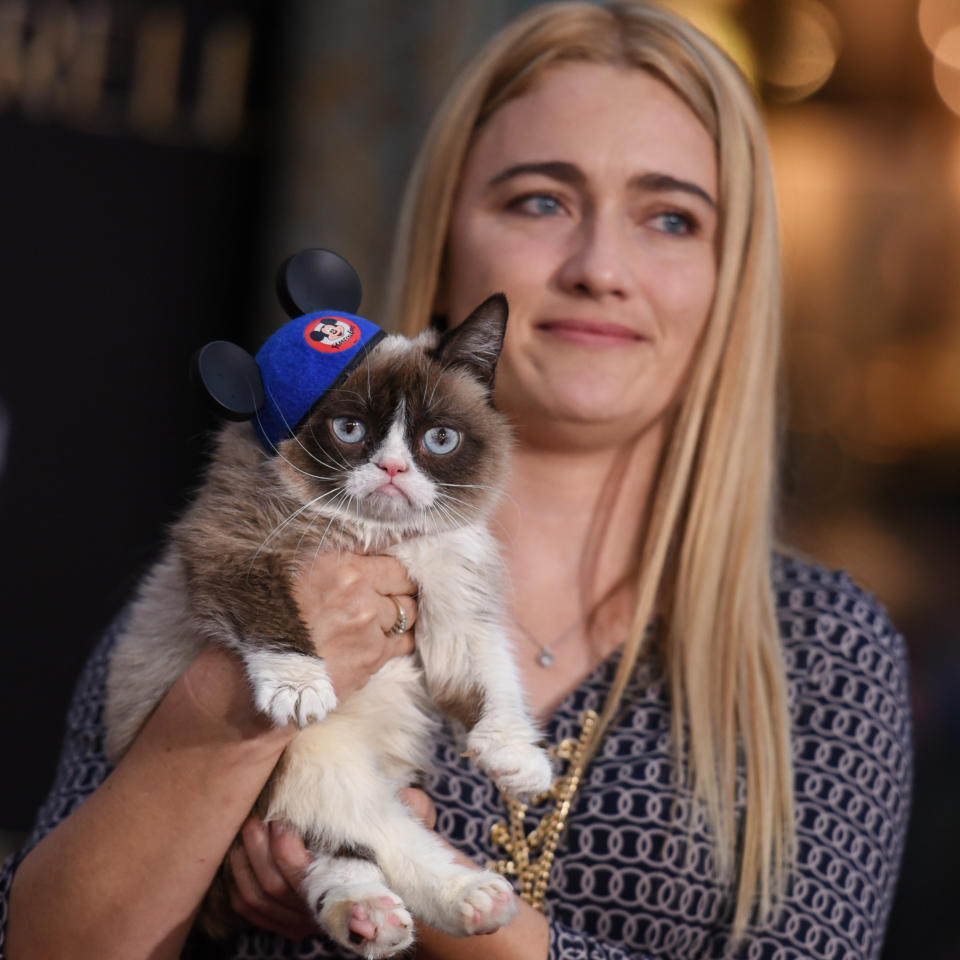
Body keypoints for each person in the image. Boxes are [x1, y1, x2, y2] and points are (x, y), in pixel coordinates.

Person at [0, 2, 912, 958]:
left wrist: (431, 891)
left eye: (672, 218)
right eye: (540, 201)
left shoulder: (824, 647)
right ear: (447, 250)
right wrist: (237, 696)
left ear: (732, 284)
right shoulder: (256, 552)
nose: (600, 266)